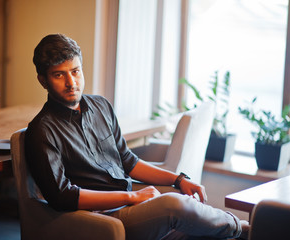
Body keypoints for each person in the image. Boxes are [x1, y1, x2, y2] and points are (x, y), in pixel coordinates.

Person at [25, 33, 249, 240]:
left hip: (127, 199)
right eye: (59, 75)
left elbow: (128, 161)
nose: (71, 82)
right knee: (174, 205)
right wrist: (131, 198)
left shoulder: (101, 106)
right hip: (101, 217)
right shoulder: (42, 130)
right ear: (43, 80)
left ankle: (234, 232)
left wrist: (178, 179)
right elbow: (61, 196)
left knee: (181, 197)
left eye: (75, 71)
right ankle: (241, 229)